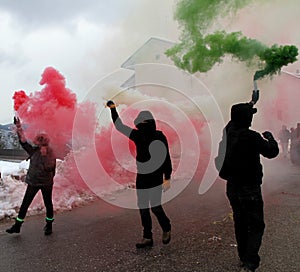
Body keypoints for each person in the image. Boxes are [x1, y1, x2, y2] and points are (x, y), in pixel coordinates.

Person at [215, 91, 279, 272]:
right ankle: (250, 262)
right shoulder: (252, 137)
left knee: (240, 222)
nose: (251, 120)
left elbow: (236, 118)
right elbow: (272, 152)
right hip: (249, 189)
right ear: (245, 119)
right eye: (249, 116)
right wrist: (271, 138)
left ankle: (244, 257)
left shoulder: (228, 131)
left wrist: (251, 103)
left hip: (232, 187)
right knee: (256, 225)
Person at [107, 100, 172, 248]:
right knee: (143, 207)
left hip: (155, 176)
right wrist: (112, 109)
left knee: (155, 207)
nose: (142, 125)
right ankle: (147, 237)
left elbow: (166, 158)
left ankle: (166, 226)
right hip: (142, 176)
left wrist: (167, 178)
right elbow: (119, 126)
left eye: (144, 123)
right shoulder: (137, 135)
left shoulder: (159, 137)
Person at [6, 117, 56, 235]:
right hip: (33, 182)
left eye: (40, 141)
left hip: (46, 183)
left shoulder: (50, 153)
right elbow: (23, 142)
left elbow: (50, 168)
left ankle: (49, 225)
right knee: (25, 204)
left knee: (48, 203)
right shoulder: (34, 151)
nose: (37, 143)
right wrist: (19, 128)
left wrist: (44, 156)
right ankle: (17, 226)